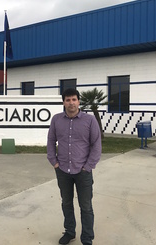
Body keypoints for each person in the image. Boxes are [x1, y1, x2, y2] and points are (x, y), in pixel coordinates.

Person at [47, 88, 101, 245]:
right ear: (63, 102)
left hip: (83, 171)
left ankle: (87, 238)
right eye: (68, 100)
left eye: (74, 99)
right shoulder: (56, 119)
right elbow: (51, 141)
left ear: (78, 101)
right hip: (63, 170)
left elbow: (96, 144)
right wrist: (54, 162)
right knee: (66, 203)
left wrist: (88, 166)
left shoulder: (89, 120)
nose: (71, 103)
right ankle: (70, 232)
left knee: (86, 206)